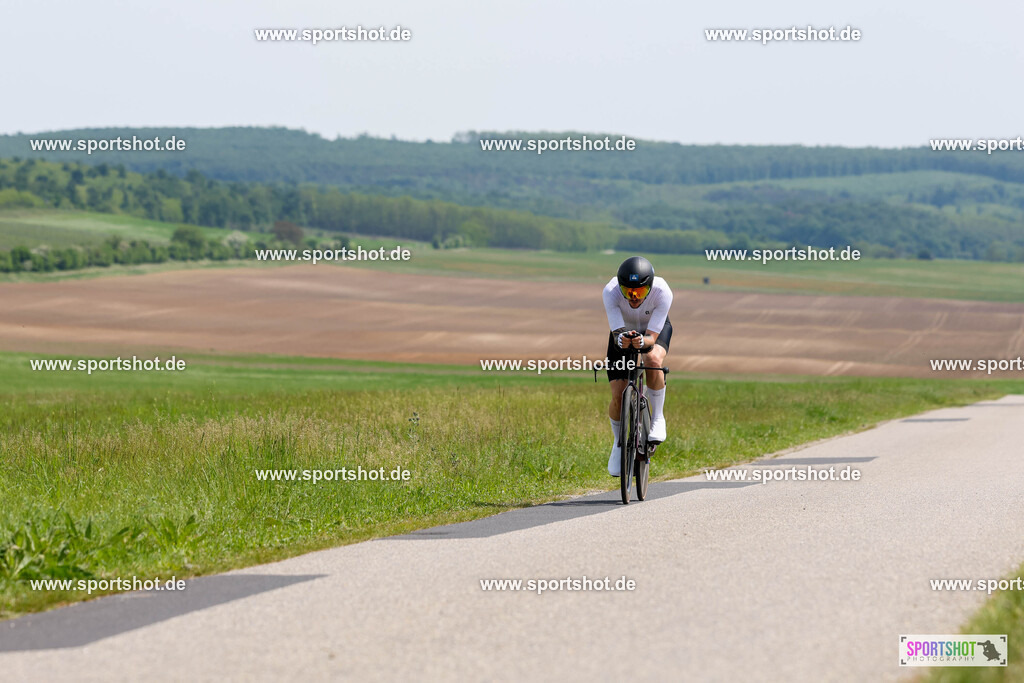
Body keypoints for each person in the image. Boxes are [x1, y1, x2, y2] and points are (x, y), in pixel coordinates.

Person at [603, 256, 673, 476]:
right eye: (628, 292)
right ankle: (618, 443)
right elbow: (616, 333)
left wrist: (644, 342)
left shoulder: (663, 291)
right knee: (617, 394)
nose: (633, 298)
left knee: (652, 360)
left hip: (653, 330)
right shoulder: (610, 291)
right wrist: (623, 340)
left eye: (640, 293)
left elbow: (652, 336)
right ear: (620, 288)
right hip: (623, 331)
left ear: (649, 288)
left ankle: (658, 418)